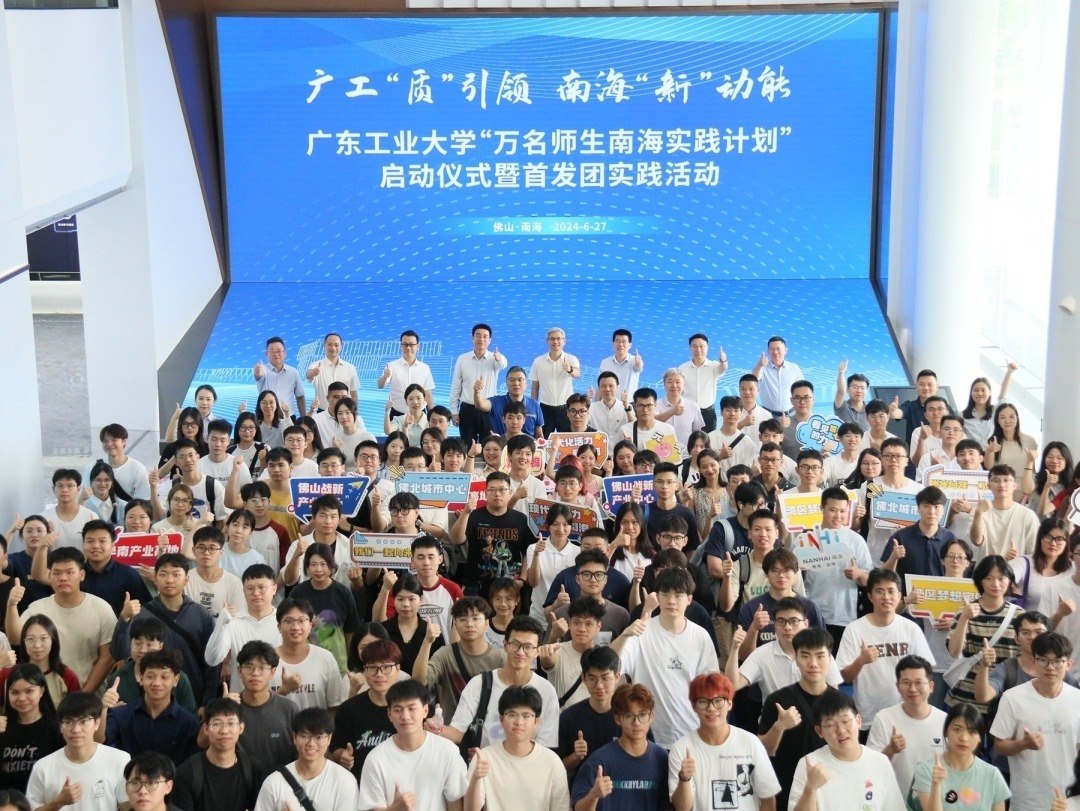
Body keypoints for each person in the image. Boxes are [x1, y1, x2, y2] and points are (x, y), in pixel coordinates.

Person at [611, 568, 720, 748]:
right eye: (665, 594)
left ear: (689, 599)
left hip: (691, 733)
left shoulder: (700, 636)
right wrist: (624, 635)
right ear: (657, 597)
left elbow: (710, 687)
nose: (671, 601)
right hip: (647, 736)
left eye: (678, 595)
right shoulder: (640, 632)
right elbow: (611, 666)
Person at [110, 553, 219, 707]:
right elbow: (119, 652)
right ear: (155, 578)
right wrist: (124, 618)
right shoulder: (142, 614)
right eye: (163, 574)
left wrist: (207, 702)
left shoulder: (201, 615)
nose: (169, 580)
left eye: (176, 574)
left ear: (187, 579)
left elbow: (212, 663)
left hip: (192, 697)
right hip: (149, 696)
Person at [837, 569, 935, 733]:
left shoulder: (911, 629)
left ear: (899, 596)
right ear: (870, 596)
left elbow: (926, 672)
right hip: (868, 717)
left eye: (891, 591)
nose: (886, 597)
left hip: (906, 714)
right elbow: (844, 677)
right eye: (879, 591)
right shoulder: (854, 629)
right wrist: (861, 661)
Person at [757, 627, 844, 811]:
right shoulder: (777, 701)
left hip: (833, 790)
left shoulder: (842, 703)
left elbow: (849, 750)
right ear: (796, 659)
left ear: (830, 659)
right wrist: (779, 726)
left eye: (820, 656)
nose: (813, 663)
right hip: (786, 789)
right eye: (805, 656)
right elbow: (764, 751)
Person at [991, 631, 1080, 810]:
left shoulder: (1077, 699)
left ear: (1068, 664)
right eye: (1043, 660)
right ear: (1034, 661)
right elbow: (999, 745)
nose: (1050, 667)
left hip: (1069, 799)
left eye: (1058, 661)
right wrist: (1023, 744)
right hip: (1026, 799)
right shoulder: (1012, 698)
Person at [7, 547, 115, 692]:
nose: (63, 578)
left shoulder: (102, 608)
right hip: (45, 695)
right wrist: (12, 605)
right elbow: (15, 639)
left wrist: (83, 696)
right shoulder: (38, 608)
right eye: (56, 573)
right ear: (49, 575)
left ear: (82, 575)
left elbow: (107, 658)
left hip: (89, 695)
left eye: (70, 572)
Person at [668, 672, 781, 811]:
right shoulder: (680, 748)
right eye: (703, 702)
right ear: (694, 706)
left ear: (729, 703)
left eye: (718, 701)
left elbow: (768, 798)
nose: (711, 708)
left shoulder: (751, 742)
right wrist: (684, 778)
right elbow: (681, 808)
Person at [445, 616, 560, 749]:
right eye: (515, 644)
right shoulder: (479, 684)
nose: (520, 652)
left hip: (531, 762)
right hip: (486, 760)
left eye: (528, 647)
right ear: (505, 645)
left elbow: (546, 745)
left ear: (537, 651)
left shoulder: (546, 690)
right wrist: (434, 729)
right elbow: (457, 732)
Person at [358, 679, 467, 811]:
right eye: (397, 710)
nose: (405, 716)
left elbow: (455, 803)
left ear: (425, 710)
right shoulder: (376, 759)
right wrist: (395, 809)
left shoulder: (448, 751)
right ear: (389, 714)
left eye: (412, 708)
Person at [787, 691, 905, 811]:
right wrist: (810, 788)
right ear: (819, 731)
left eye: (845, 721)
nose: (841, 730)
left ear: (858, 721)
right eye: (830, 724)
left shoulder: (880, 762)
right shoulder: (810, 764)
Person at [464, 685, 569, 811]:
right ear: (501, 719)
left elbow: (561, 807)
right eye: (512, 715)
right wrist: (476, 778)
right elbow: (469, 809)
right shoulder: (483, 758)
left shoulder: (552, 762)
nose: (519, 722)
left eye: (526, 716)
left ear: (536, 721)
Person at [569, 682, 668, 811]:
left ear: (651, 717)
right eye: (629, 716)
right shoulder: (599, 761)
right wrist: (594, 795)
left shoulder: (661, 758)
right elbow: (578, 808)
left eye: (643, 715)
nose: (637, 723)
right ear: (617, 718)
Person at [25, 692, 129, 811]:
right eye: (68, 722)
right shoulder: (42, 767)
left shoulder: (119, 760)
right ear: (60, 726)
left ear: (97, 723)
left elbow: (127, 806)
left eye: (83, 721)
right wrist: (58, 803)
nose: (76, 729)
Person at [27, 519, 151, 617]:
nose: (96, 546)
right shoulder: (75, 572)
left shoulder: (129, 574)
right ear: (84, 544)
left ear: (113, 545)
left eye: (102, 541)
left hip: (117, 634)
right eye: (90, 541)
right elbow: (40, 575)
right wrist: (42, 547)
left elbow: (146, 608)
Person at [727, 598, 841, 701]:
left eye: (794, 621)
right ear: (774, 625)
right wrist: (734, 648)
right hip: (774, 715)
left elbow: (834, 694)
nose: (787, 627)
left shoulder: (820, 653)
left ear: (805, 624)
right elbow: (733, 685)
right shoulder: (762, 653)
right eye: (781, 621)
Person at [414, 596, 504, 725]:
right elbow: (419, 680)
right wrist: (427, 642)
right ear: (455, 624)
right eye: (462, 619)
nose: (469, 624)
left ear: (486, 623)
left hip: (488, 729)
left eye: (475, 618)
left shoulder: (500, 658)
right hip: (451, 729)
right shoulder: (445, 655)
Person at [865, 655, 947, 799]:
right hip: (895, 801)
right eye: (906, 683)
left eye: (918, 683)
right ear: (898, 687)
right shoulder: (884, 718)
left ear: (931, 686)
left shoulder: (945, 721)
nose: (912, 689)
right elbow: (870, 767)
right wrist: (890, 750)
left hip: (935, 801)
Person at [802, 487, 874, 649]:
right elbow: (793, 577)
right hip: (811, 614)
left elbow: (870, 581)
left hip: (844, 616)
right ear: (822, 508)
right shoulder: (806, 538)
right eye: (832, 510)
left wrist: (858, 574)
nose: (838, 516)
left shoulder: (856, 540)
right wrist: (798, 569)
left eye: (842, 511)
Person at [101, 648, 200, 763]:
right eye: (150, 676)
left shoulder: (188, 723)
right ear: (141, 678)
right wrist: (103, 708)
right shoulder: (122, 715)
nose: (156, 683)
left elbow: (192, 764)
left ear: (176, 680)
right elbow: (100, 740)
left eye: (164, 677)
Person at [171, 697, 266, 811]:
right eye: (217, 724)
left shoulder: (253, 769)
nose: (224, 731)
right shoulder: (186, 773)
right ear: (206, 729)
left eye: (231, 723)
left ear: (241, 728)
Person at [910, 701, 1009, 811]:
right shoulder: (926, 769)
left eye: (972, 732)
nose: (964, 738)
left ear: (980, 738)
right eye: (957, 729)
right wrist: (936, 785)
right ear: (946, 732)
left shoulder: (992, 775)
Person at [254, 707, 358, 810]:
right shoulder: (274, 783)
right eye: (304, 736)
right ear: (294, 737)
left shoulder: (344, 781)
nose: (311, 743)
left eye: (319, 737)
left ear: (329, 738)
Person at [450, 472, 536, 597]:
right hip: (476, 585)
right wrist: (466, 512)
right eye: (492, 490)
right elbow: (456, 539)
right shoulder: (474, 516)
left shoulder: (521, 519)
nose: (497, 494)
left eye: (502, 490)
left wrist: (522, 579)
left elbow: (527, 552)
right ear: (485, 494)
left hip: (510, 585)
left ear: (510, 493)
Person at [330, 639, 402, 782]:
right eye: (372, 667)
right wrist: (342, 756)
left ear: (398, 669)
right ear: (364, 670)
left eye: (386, 667)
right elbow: (336, 748)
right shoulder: (348, 709)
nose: (379, 674)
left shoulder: (409, 708)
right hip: (361, 784)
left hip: (401, 782)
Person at [205, 563, 282, 691]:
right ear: (243, 591)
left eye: (262, 587)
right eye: (250, 588)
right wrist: (222, 623)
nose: (256, 593)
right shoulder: (232, 621)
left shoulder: (284, 621)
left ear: (274, 589)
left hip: (278, 696)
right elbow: (212, 659)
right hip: (240, 697)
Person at [287, 542, 359, 673]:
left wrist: (351, 663)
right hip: (306, 664)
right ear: (307, 567)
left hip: (338, 665)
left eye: (323, 564)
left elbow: (350, 631)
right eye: (313, 564)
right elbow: (287, 625)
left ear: (331, 566)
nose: (318, 569)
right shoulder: (298, 593)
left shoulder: (343, 592)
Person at [233, 640, 298, 771]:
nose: (255, 673)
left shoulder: (289, 709)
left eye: (262, 668)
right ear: (239, 671)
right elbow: (203, 742)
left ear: (272, 672)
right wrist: (222, 708)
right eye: (249, 667)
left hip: (282, 781)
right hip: (240, 782)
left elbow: (299, 752)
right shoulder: (231, 708)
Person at [558, 646, 622, 777]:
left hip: (620, 787)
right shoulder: (569, 717)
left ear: (616, 677)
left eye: (605, 678)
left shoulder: (629, 717)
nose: (599, 685)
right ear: (584, 679)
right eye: (592, 678)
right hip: (582, 788)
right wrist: (575, 756)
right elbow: (557, 768)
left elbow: (644, 759)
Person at [111, 617, 198, 714]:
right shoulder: (118, 678)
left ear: (160, 646)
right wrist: (111, 712)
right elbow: (108, 717)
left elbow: (190, 717)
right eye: (138, 643)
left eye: (149, 645)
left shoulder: (178, 679)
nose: (143, 650)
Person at [272, 598, 345, 712]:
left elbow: (334, 706)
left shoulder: (326, 658)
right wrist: (283, 690)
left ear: (311, 625)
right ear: (279, 627)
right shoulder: (266, 661)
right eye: (288, 621)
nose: (295, 627)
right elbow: (259, 706)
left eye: (302, 620)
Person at [0, 664, 63, 793]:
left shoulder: (56, 728)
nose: (22, 698)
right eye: (14, 692)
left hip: (45, 799)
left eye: (29, 691)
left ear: (41, 691)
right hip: (8, 800)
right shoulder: (2, 726)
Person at [450, 323, 507, 446]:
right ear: (472, 338)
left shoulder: (495, 358)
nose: (481, 339)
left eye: (485, 336)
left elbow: (502, 364)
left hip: (488, 409)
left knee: (490, 445)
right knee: (466, 446)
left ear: (489, 340)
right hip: (467, 410)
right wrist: (454, 411)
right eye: (478, 335)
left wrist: (499, 358)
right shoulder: (462, 359)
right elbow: (456, 386)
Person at [881, 486, 954, 580]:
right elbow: (883, 574)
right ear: (918, 508)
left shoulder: (950, 538)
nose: (931, 512)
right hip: (907, 589)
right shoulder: (900, 537)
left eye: (936, 506)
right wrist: (893, 558)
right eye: (926, 506)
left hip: (940, 589)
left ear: (943, 509)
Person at [971, 464, 1040, 559]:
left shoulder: (1028, 515)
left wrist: (1019, 560)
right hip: (986, 567)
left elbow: (1033, 551)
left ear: (1015, 485)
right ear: (988, 486)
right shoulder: (981, 512)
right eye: (996, 480)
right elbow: (976, 541)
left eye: (1006, 480)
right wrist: (978, 513)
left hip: (1016, 567)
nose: (1002, 485)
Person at [185, 525, 244, 620]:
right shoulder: (184, 579)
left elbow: (241, 618)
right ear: (194, 550)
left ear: (221, 552)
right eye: (201, 547)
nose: (206, 553)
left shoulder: (234, 583)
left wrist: (233, 616)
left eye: (212, 548)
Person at [983, 403, 1038, 499]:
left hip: (1025, 490)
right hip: (1002, 490)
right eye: (1002, 417)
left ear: (1017, 418)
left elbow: (1032, 470)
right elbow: (989, 467)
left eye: (1011, 417)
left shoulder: (1029, 441)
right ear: (997, 420)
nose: (1007, 421)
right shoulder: (991, 442)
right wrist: (989, 451)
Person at [676, 333, 728, 432]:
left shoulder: (714, 366)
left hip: (708, 413)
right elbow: (678, 390)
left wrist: (724, 361)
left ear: (707, 348)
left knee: (708, 440)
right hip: (688, 412)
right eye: (694, 346)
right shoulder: (682, 368)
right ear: (690, 348)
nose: (698, 349)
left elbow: (723, 369)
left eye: (701, 346)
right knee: (687, 439)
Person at [42, 469, 96, 550]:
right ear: (53, 489)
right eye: (60, 486)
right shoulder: (44, 518)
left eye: (70, 485)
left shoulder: (90, 516)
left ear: (78, 489)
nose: (64, 490)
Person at [253, 336, 306, 415]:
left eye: (279, 351)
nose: (276, 354)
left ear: (285, 353)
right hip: (266, 417)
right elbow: (258, 376)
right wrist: (257, 373)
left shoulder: (293, 372)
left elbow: (300, 396)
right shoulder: (262, 369)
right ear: (266, 353)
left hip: (288, 416)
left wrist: (304, 418)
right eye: (272, 351)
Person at [751, 336, 803, 417]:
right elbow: (752, 380)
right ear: (768, 351)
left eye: (778, 349)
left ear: (785, 350)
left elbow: (802, 389)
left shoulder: (794, 368)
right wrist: (759, 365)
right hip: (768, 415)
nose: (775, 352)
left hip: (791, 414)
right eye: (772, 349)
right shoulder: (762, 368)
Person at [621, 388, 678, 458]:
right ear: (635, 406)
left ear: (655, 405)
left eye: (649, 405)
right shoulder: (625, 430)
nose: (645, 410)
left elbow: (674, 459)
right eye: (641, 405)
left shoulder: (668, 429)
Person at [599, 329, 644, 398]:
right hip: (609, 402)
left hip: (629, 402)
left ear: (630, 345)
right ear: (613, 344)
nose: (620, 344)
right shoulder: (605, 362)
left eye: (624, 341)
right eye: (617, 341)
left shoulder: (635, 360)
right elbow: (601, 384)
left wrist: (638, 363)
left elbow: (638, 367)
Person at [588, 371, 632, 439]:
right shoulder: (591, 407)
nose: (607, 389)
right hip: (598, 445)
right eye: (603, 386)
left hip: (621, 445)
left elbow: (634, 427)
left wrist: (626, 407)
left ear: (617, 387)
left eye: (611, 386)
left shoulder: (627, 407)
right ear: (599, 388)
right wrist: (587, 401)